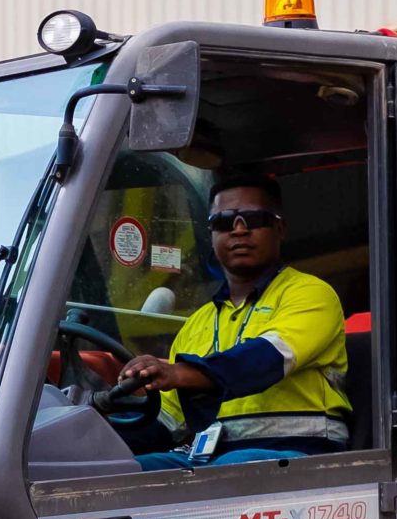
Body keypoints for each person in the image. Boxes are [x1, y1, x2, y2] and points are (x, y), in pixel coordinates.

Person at [116, 174, 350, 470]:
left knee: (227, 470)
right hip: (211, 459)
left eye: (252, 218)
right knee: (120, 471)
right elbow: (170, 420)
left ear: (279, 228)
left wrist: (180, 373)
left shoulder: (311, 294)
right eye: (225, 221)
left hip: (301, 454)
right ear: (212, 235)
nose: (239, 230)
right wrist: (102, 436)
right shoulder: (198, 322)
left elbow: (266, 359)